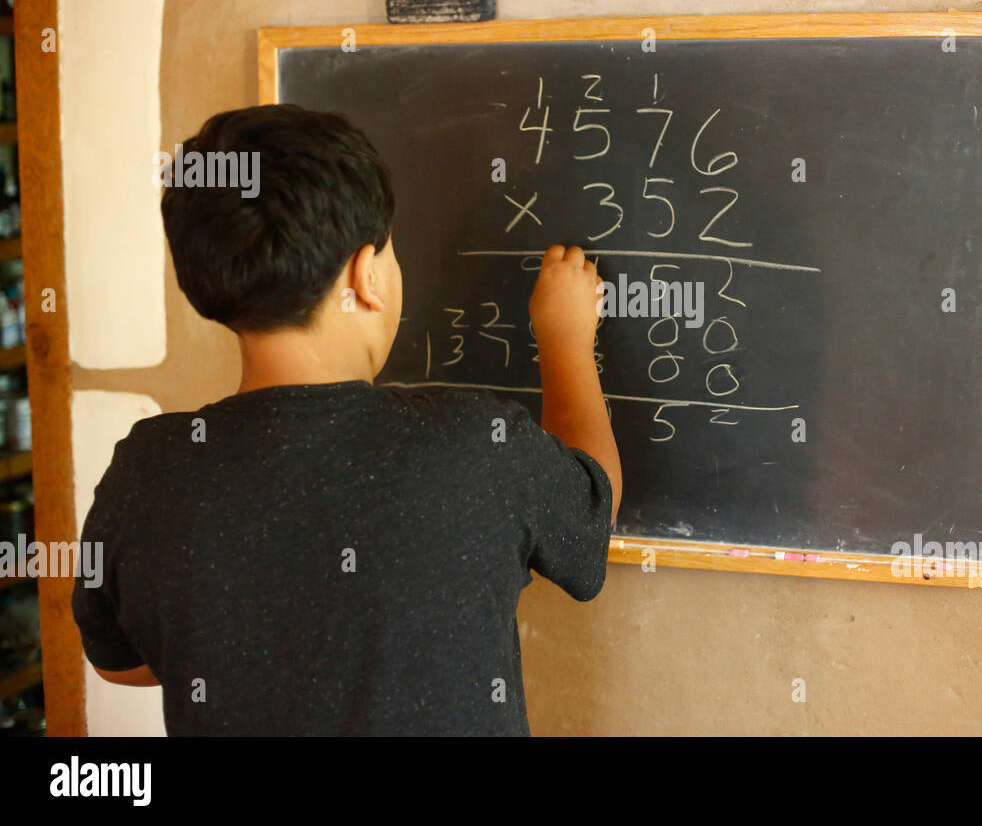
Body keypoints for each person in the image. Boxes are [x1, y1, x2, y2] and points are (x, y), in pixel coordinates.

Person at [71, 104, 621, 735]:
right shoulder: (474, 447)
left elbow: (118, 662)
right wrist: (566, 340)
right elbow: (590, 523)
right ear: (365, 277)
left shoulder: (151, 471)